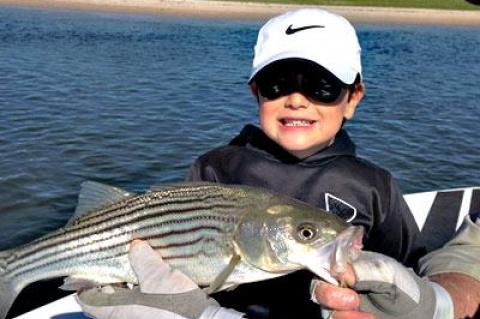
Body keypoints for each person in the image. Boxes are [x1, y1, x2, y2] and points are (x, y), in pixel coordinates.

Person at [78, 8, 480, 319]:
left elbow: (403, 268)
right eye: (277, 84)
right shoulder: (217, 167)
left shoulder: (374, 185)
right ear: (256, 92)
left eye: (322, 86)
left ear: (353, 98)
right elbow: (174, 251)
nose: (297, 99)